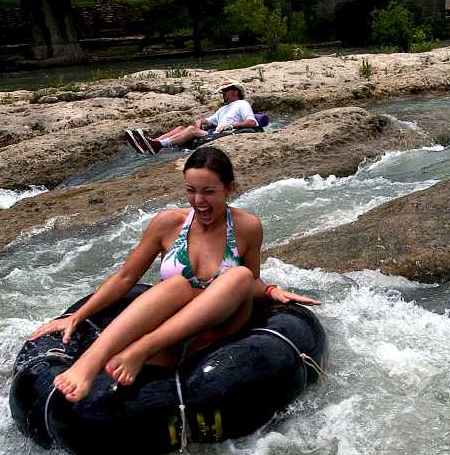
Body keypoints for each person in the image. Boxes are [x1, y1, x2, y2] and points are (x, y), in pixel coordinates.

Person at [30, 146, 320, 403]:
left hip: (220, 330)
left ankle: (143, 347)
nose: (199, 201)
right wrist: (78, 316)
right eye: (191, 190)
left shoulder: (247, 227)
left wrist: (270, 291)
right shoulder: (168, 223)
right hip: (172, 331)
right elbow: (125, 278)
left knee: (239, 276)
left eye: (208, 192)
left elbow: (251, 280)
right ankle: (89, 363)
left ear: (229, 188)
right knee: (177, 285)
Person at [126, 80, 258, 154]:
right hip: (217, 132)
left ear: (235, 92)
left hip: (227, 133)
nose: (222, 94)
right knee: (180, 128)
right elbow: (208, 121)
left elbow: (251, 122)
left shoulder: (242, 104)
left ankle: (158, 145)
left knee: (191, 130)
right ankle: (150, 143)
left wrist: (231, 125)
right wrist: (200, 121)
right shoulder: (223, 109)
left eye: (224, 91)